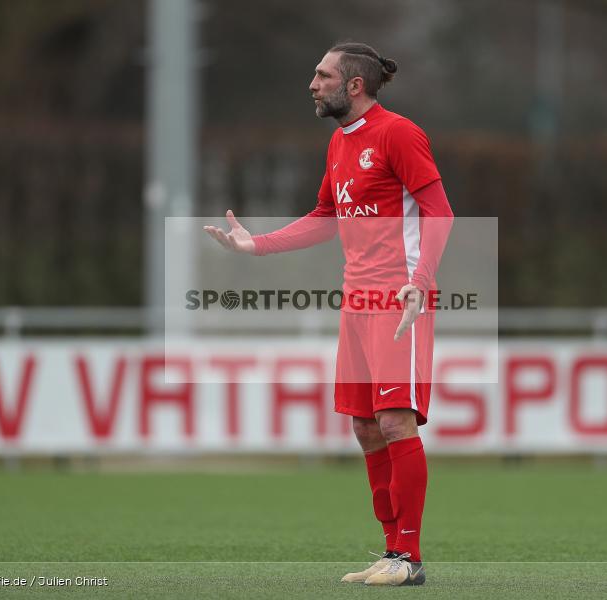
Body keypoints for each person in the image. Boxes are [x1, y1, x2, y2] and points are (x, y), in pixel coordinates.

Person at [204, 42, 453, 585]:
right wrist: (258, 245)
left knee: (394, 420)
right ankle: (390, 553)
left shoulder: (399, 133)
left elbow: (439, 212)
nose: (312, 84)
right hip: (357, 301)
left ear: (354, 85)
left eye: (322, 75)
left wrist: (420, 282)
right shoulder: (340, 144)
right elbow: (325, 217)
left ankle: (409, 559)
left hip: (398, 301)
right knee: (366, 428)